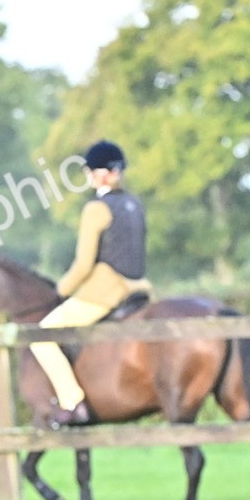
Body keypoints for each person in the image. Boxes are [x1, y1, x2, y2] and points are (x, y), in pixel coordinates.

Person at [30, 139, 152, 427]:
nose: (88, 177)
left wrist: (60, 290)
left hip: (105, 293)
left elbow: (84, 265)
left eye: (89, 171)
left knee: (41, 335)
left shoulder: (96, 209)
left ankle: (72, 402)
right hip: (139, 289)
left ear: (101, 173)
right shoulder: (136, 204)